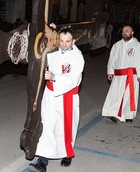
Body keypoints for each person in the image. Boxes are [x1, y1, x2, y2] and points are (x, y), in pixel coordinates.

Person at [27, 27, 85, 172]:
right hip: (51, 96)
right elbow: (37, 51)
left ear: (73, 41)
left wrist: (54, 77)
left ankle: (67, 153)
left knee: (66, 127)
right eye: (62, 41)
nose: (64, 44)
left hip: (67, 97)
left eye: (68, 41)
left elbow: (73, 80)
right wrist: (45, 31)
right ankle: (43, 161)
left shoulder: (77, 57)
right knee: (47, 124)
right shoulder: (53, 53)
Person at [102, 25, 140, 124]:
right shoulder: (117, 45)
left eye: (127, 31)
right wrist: (110, 71)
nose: (125, 32)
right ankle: (113, 114)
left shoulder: (137, 45)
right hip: (118, 75)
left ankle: (128, 115)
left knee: (130, 95)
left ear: (132, 33)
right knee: (116, 94)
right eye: (123, 31)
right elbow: (112, 59)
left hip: (131, 75)